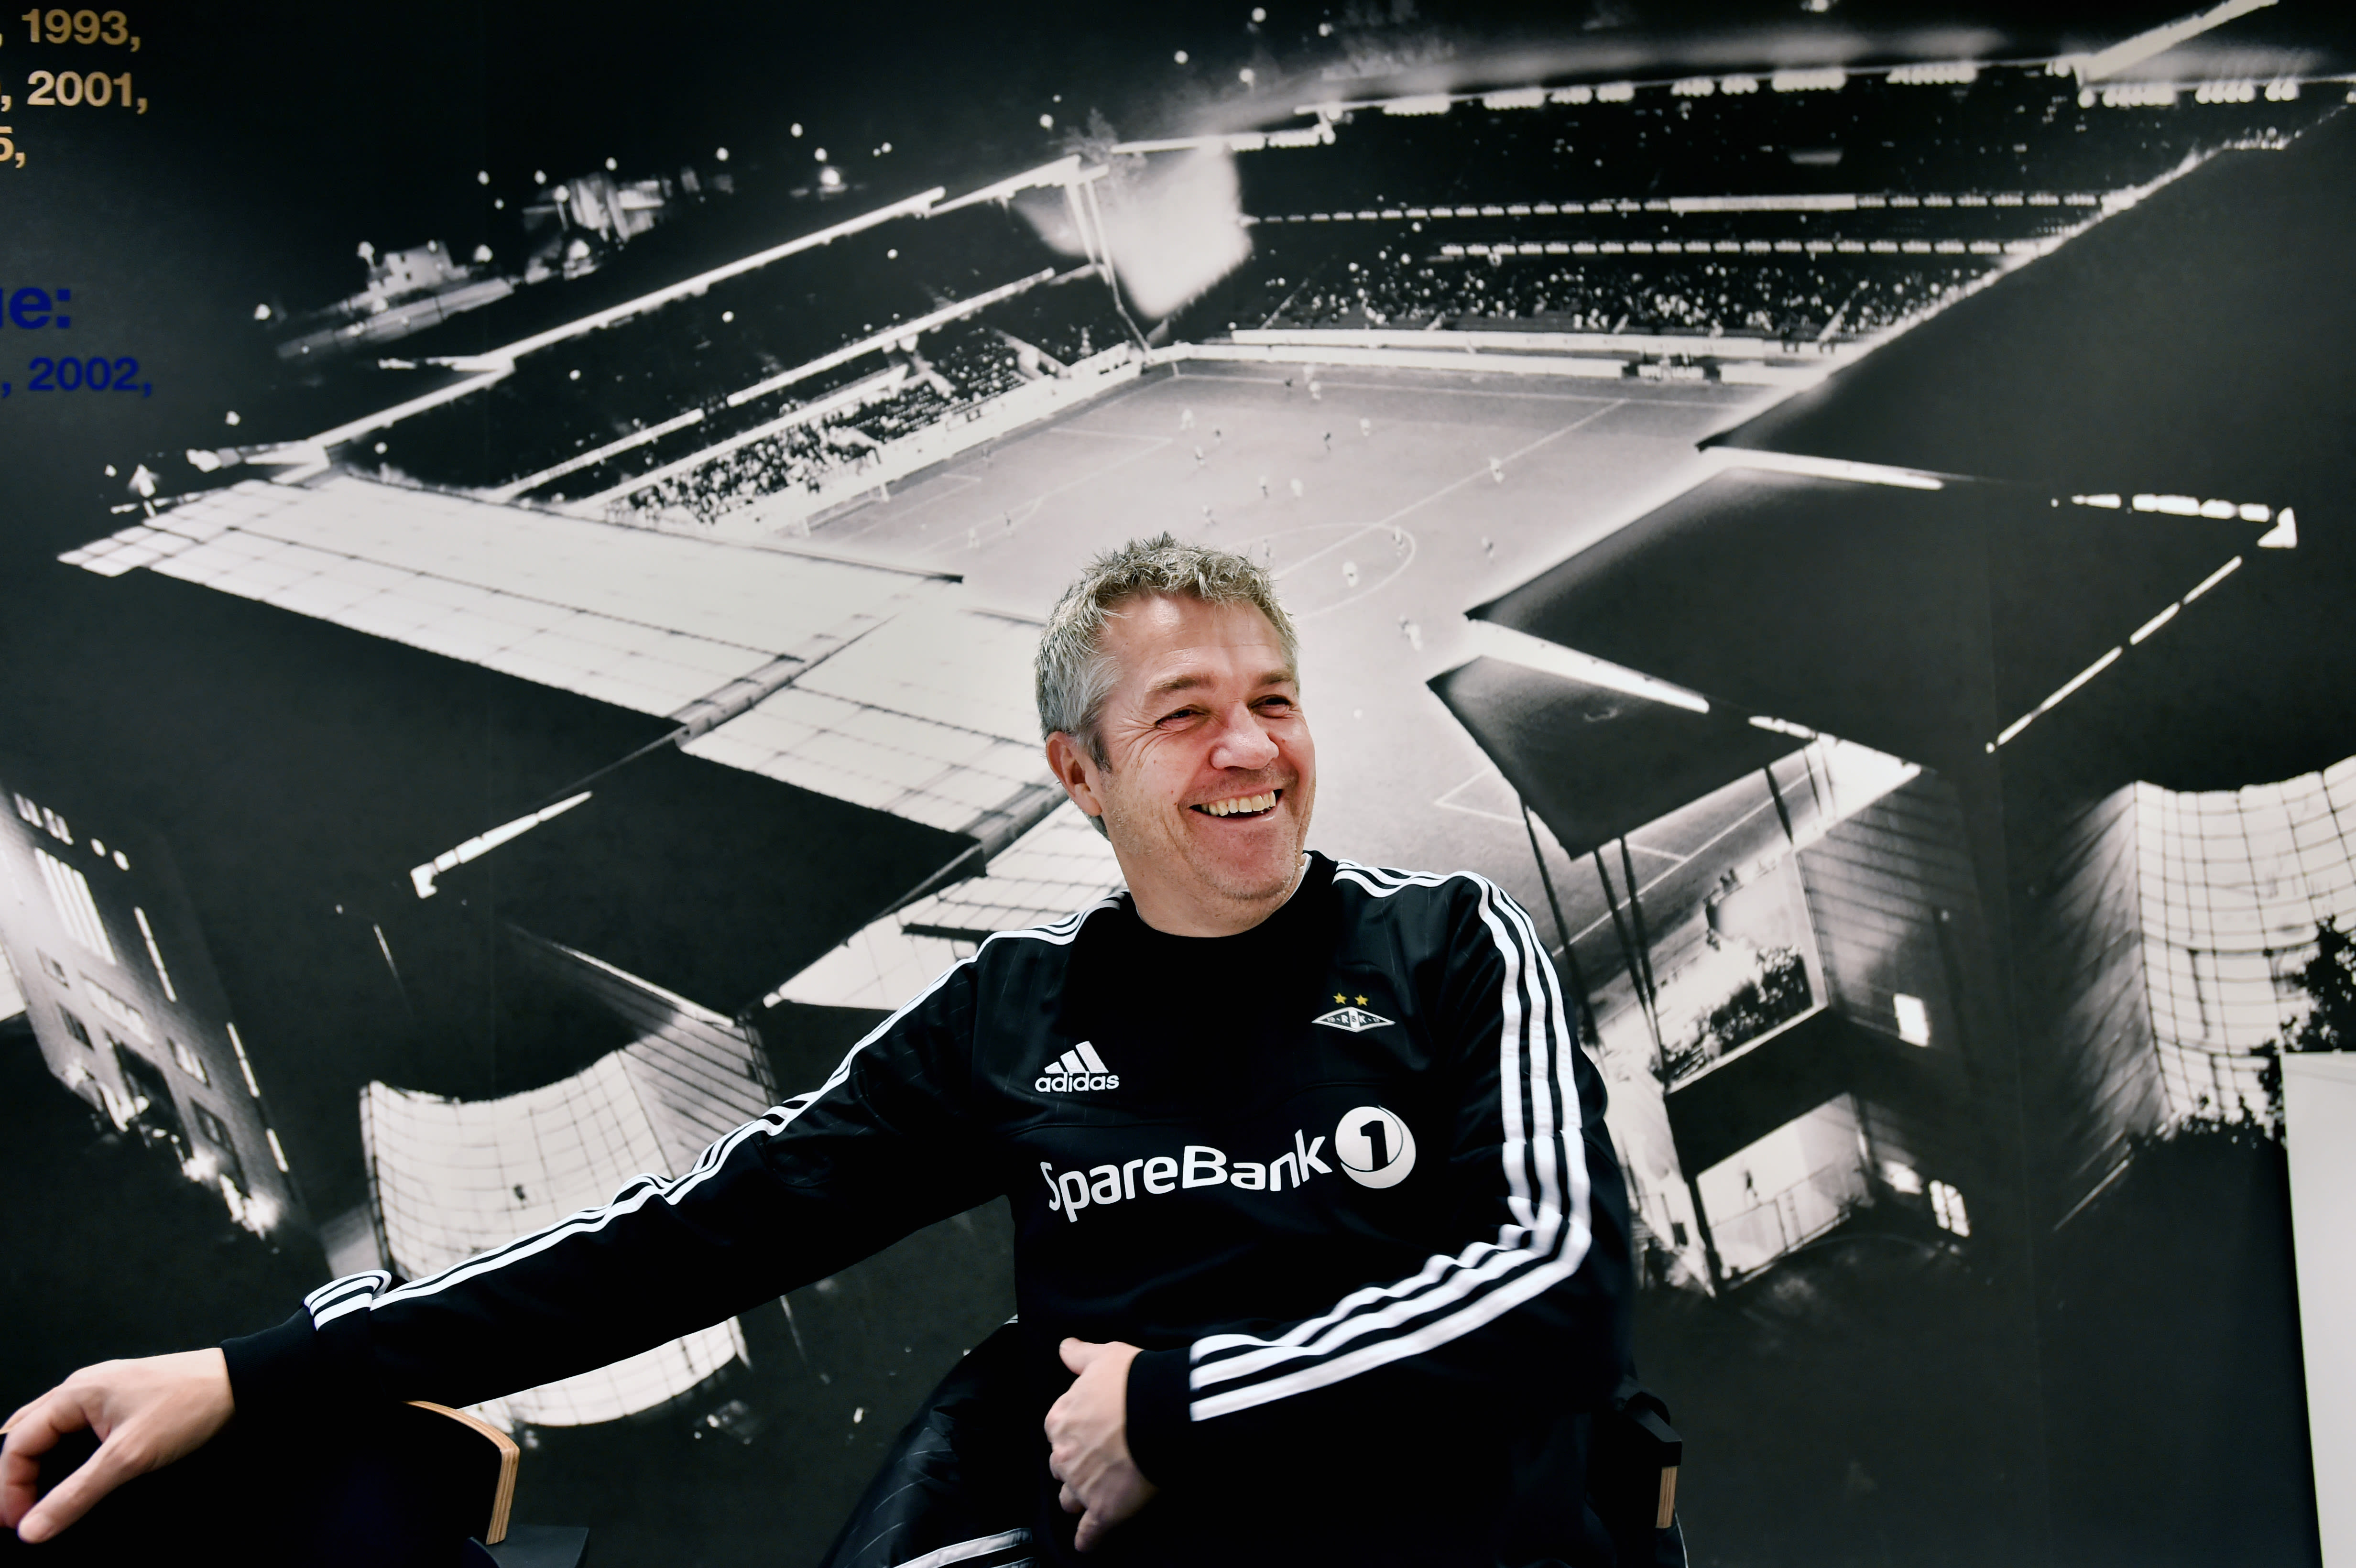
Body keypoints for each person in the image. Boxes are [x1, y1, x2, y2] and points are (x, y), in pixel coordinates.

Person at [2, 537, 1634, 1567]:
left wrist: (1178, 1406)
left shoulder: (1446, 946)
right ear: (1079, 771)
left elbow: (1558, 1286)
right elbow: (683, 1242)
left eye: (1275, 699)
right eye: (1186, 712)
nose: (1252, 748)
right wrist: (257, 1373)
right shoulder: (1011, 1013)